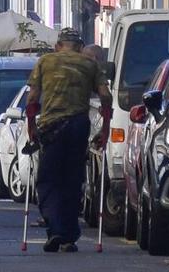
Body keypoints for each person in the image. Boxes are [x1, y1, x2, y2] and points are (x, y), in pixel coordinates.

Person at [23, 26, 108, 252]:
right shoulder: (90, 64)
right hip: (79, 126)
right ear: (80, 48)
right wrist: (106, 128)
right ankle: (69, 236)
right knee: (72, 180)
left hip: (52, 127)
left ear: (58, 46)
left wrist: (31, 126)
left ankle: (56, 229)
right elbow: (106, 96)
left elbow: (32, 97)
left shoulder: (45, 62)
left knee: (49, 180)